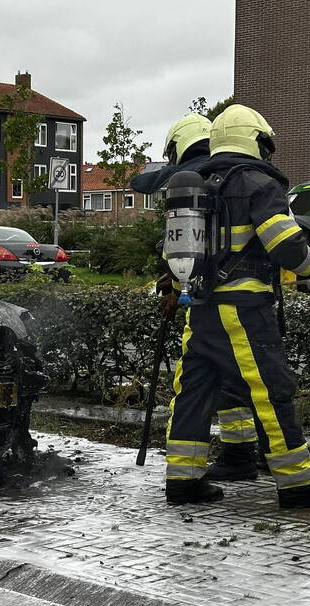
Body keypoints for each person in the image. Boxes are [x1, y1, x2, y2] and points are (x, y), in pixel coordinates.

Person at [164, 104, 310, 508]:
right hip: (244, 309)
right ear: (257, 140)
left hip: (202, 309)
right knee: (270, 389)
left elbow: (175, 258)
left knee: (193, 391)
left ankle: (183, 479)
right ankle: (297, 483)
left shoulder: (197, 184)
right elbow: (285, 244)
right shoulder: (258, 184)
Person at [132, 114, 261, 482]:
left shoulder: (190, 182)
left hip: (211, 300)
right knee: (244, 379)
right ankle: (243, 454)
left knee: (205, 381)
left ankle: (233, 459)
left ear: (178, 146)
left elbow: (182, 245)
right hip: (253, 295)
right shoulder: (234, 174)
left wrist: (173, 285)